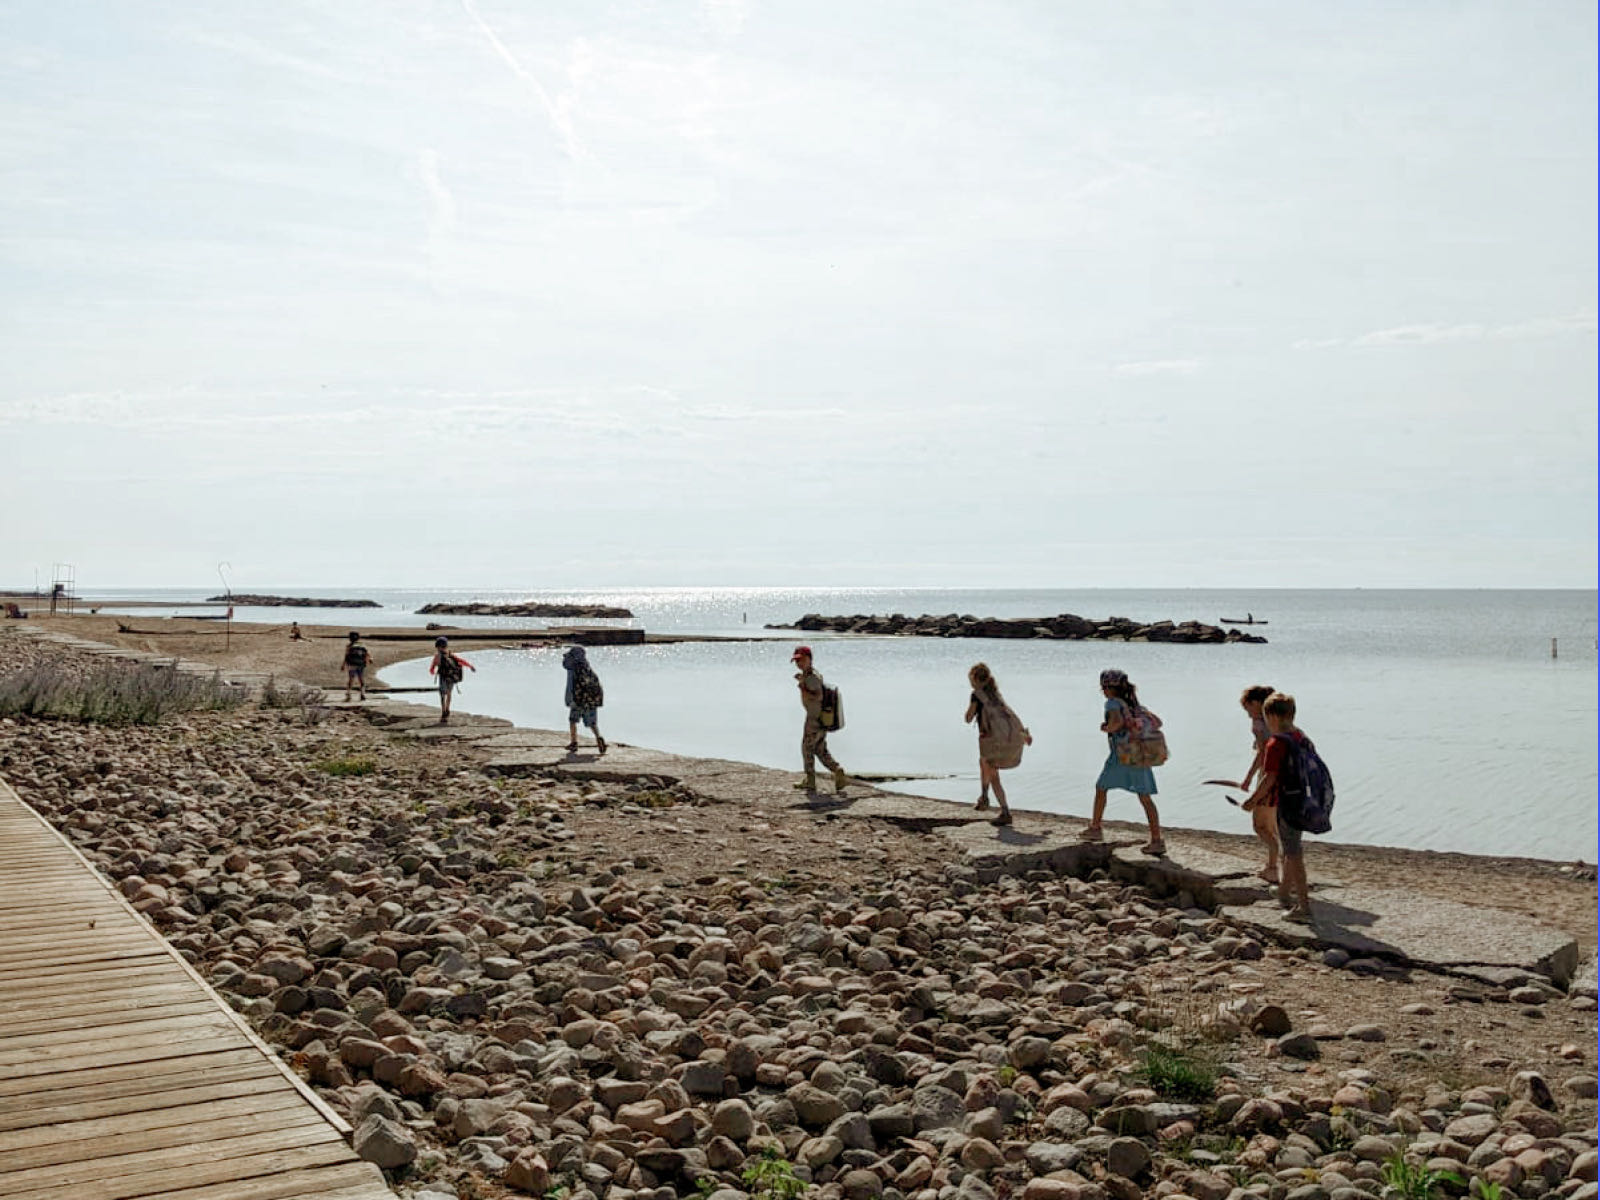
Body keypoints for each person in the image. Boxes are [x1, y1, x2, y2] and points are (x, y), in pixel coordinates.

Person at [1244, 692, 1314, 922]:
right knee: (1291, 846)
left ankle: (1303, 908)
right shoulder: (1301, 736)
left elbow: (1270, 777)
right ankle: (1284, 891)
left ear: (1271, 716)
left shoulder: (1276, 743)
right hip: (1303, 799)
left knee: (1294, 854)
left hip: (1286, 801)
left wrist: (1253, 800)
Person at [1079, 668, 1165, 855]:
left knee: (1101, 788)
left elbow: (1116, 724)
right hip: (1139, 755)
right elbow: (1158, 722)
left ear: (1107, 688)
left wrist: (1106, 727)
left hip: (1123, 755)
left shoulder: (1112, 704)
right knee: (1144, 797)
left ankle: (1095, 828)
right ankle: (1156, 838)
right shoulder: (1136, 706)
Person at [964, 663, 1032, 827]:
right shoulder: (995, 694)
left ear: (975, 679)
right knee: (983, 763)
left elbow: (968, 718)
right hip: (1003, 739)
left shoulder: (977, 695)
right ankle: (984, 797)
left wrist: (972, 709)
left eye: (970, 680)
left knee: (993, 774)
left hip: (991, 741)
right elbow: (1010, 714)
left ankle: (1004, 811)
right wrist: (1024, 733)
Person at [791, 646, 848, 795]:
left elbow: (818, 696)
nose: (799, 663)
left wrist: (802, 687)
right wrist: (802, 681)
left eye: (802, 660)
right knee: (820, 749)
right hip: (820, 718)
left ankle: (810, 780)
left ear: (809, 659)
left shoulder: (812, 677)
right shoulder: (810, 675)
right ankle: (837, 770)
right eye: (797, 661)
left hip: (814, 719)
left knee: (806, 748)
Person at [1238, 684, 1280, 884]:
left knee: (1260, 826)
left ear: (1255, 704)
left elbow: (1262, 754)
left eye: (1247, 709)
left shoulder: (1259, 724)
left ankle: (1272, 868)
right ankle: (1274, 865)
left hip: (1268, 777)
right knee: (1272, 825)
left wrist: (1249, 779)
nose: (1247, 714)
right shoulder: (1278, 724)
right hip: (1282, 778)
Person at [562, 645, 606, 754]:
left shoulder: (573, 669)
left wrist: (569, 700)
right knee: (592, 723)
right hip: (590, 700)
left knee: (573, 720)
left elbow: (570, 685)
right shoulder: (587, 668)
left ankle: (574, 742)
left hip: (578, 700)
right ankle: (599, 737)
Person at [429, 636, 475, 723]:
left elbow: (432, 668)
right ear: (446, 646)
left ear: (437, 646)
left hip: (443, 677)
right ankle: (447, 709)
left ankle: (443, 711)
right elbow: (461, 661)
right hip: (451, 677)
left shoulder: (437, 656)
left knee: (442, 695)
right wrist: (470, 666)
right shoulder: (450, 655)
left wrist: (432, 672)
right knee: (449, 694)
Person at [342, 632, 370, 701]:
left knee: (351, 679)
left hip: (352, 665)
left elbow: (346, 656)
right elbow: (367, 654)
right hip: (361, 664)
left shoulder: (349, 646)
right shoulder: (362, 645)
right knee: (361, 679)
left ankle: (348, 695)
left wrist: (343, 665)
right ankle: (362, 694)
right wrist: (367, 662)